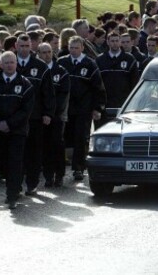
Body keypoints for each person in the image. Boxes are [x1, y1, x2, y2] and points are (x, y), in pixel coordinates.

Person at [0, 52, 34, 209]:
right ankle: (14, 186)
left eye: (12, 62)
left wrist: (9, 123)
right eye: (6, 62)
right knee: (3, 162)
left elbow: (26, 110)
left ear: (16, 64)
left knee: (15, 162)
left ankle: (12, 195)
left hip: (17, 131)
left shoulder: (25, 84)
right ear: (1, 65)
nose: (10, 65)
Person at [57, 36, 106, 181]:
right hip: (66, 108)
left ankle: (78, 167)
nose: (73, 51)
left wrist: (97, 108)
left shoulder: (89, 64)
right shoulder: (62, 62)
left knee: (80, 137)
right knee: (63, 138)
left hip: (83, 108)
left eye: (76, 48)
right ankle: (59, 169)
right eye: (71, 48)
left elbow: (98, 87)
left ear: (82, 48)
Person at [16, 34, 56, 195]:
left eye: (27, 46)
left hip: (35, 117)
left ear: (31, 47)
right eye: (21, 46)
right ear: (16, 46)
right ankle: (15, 185)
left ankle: (32, 183)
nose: (24, 49)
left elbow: (48, 92)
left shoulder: (40, 66)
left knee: (34, 151)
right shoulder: (9, 63)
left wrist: (48, 113)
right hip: (15, 118)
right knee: (17, 153)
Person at [37, 42, 70, 187]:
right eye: (43, 52)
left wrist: (54, 113)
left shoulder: (61, 71)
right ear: (38, 54)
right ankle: (48, 175)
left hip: (57, 116)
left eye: (49, 52)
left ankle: (59, 174)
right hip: (41, 116)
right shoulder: (37, 70)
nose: (47, 55)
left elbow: (64, 94)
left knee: (57, 144)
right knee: (45, 146)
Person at [96, 31, 139, 127]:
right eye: (112, 41)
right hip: (106, 104)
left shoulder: (129, 59)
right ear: (107, 42)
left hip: (124, 103)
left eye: (116, 40)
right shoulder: (100, 60)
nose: (114, 43)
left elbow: (135, 82)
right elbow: (97, 83)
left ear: (120, 42)